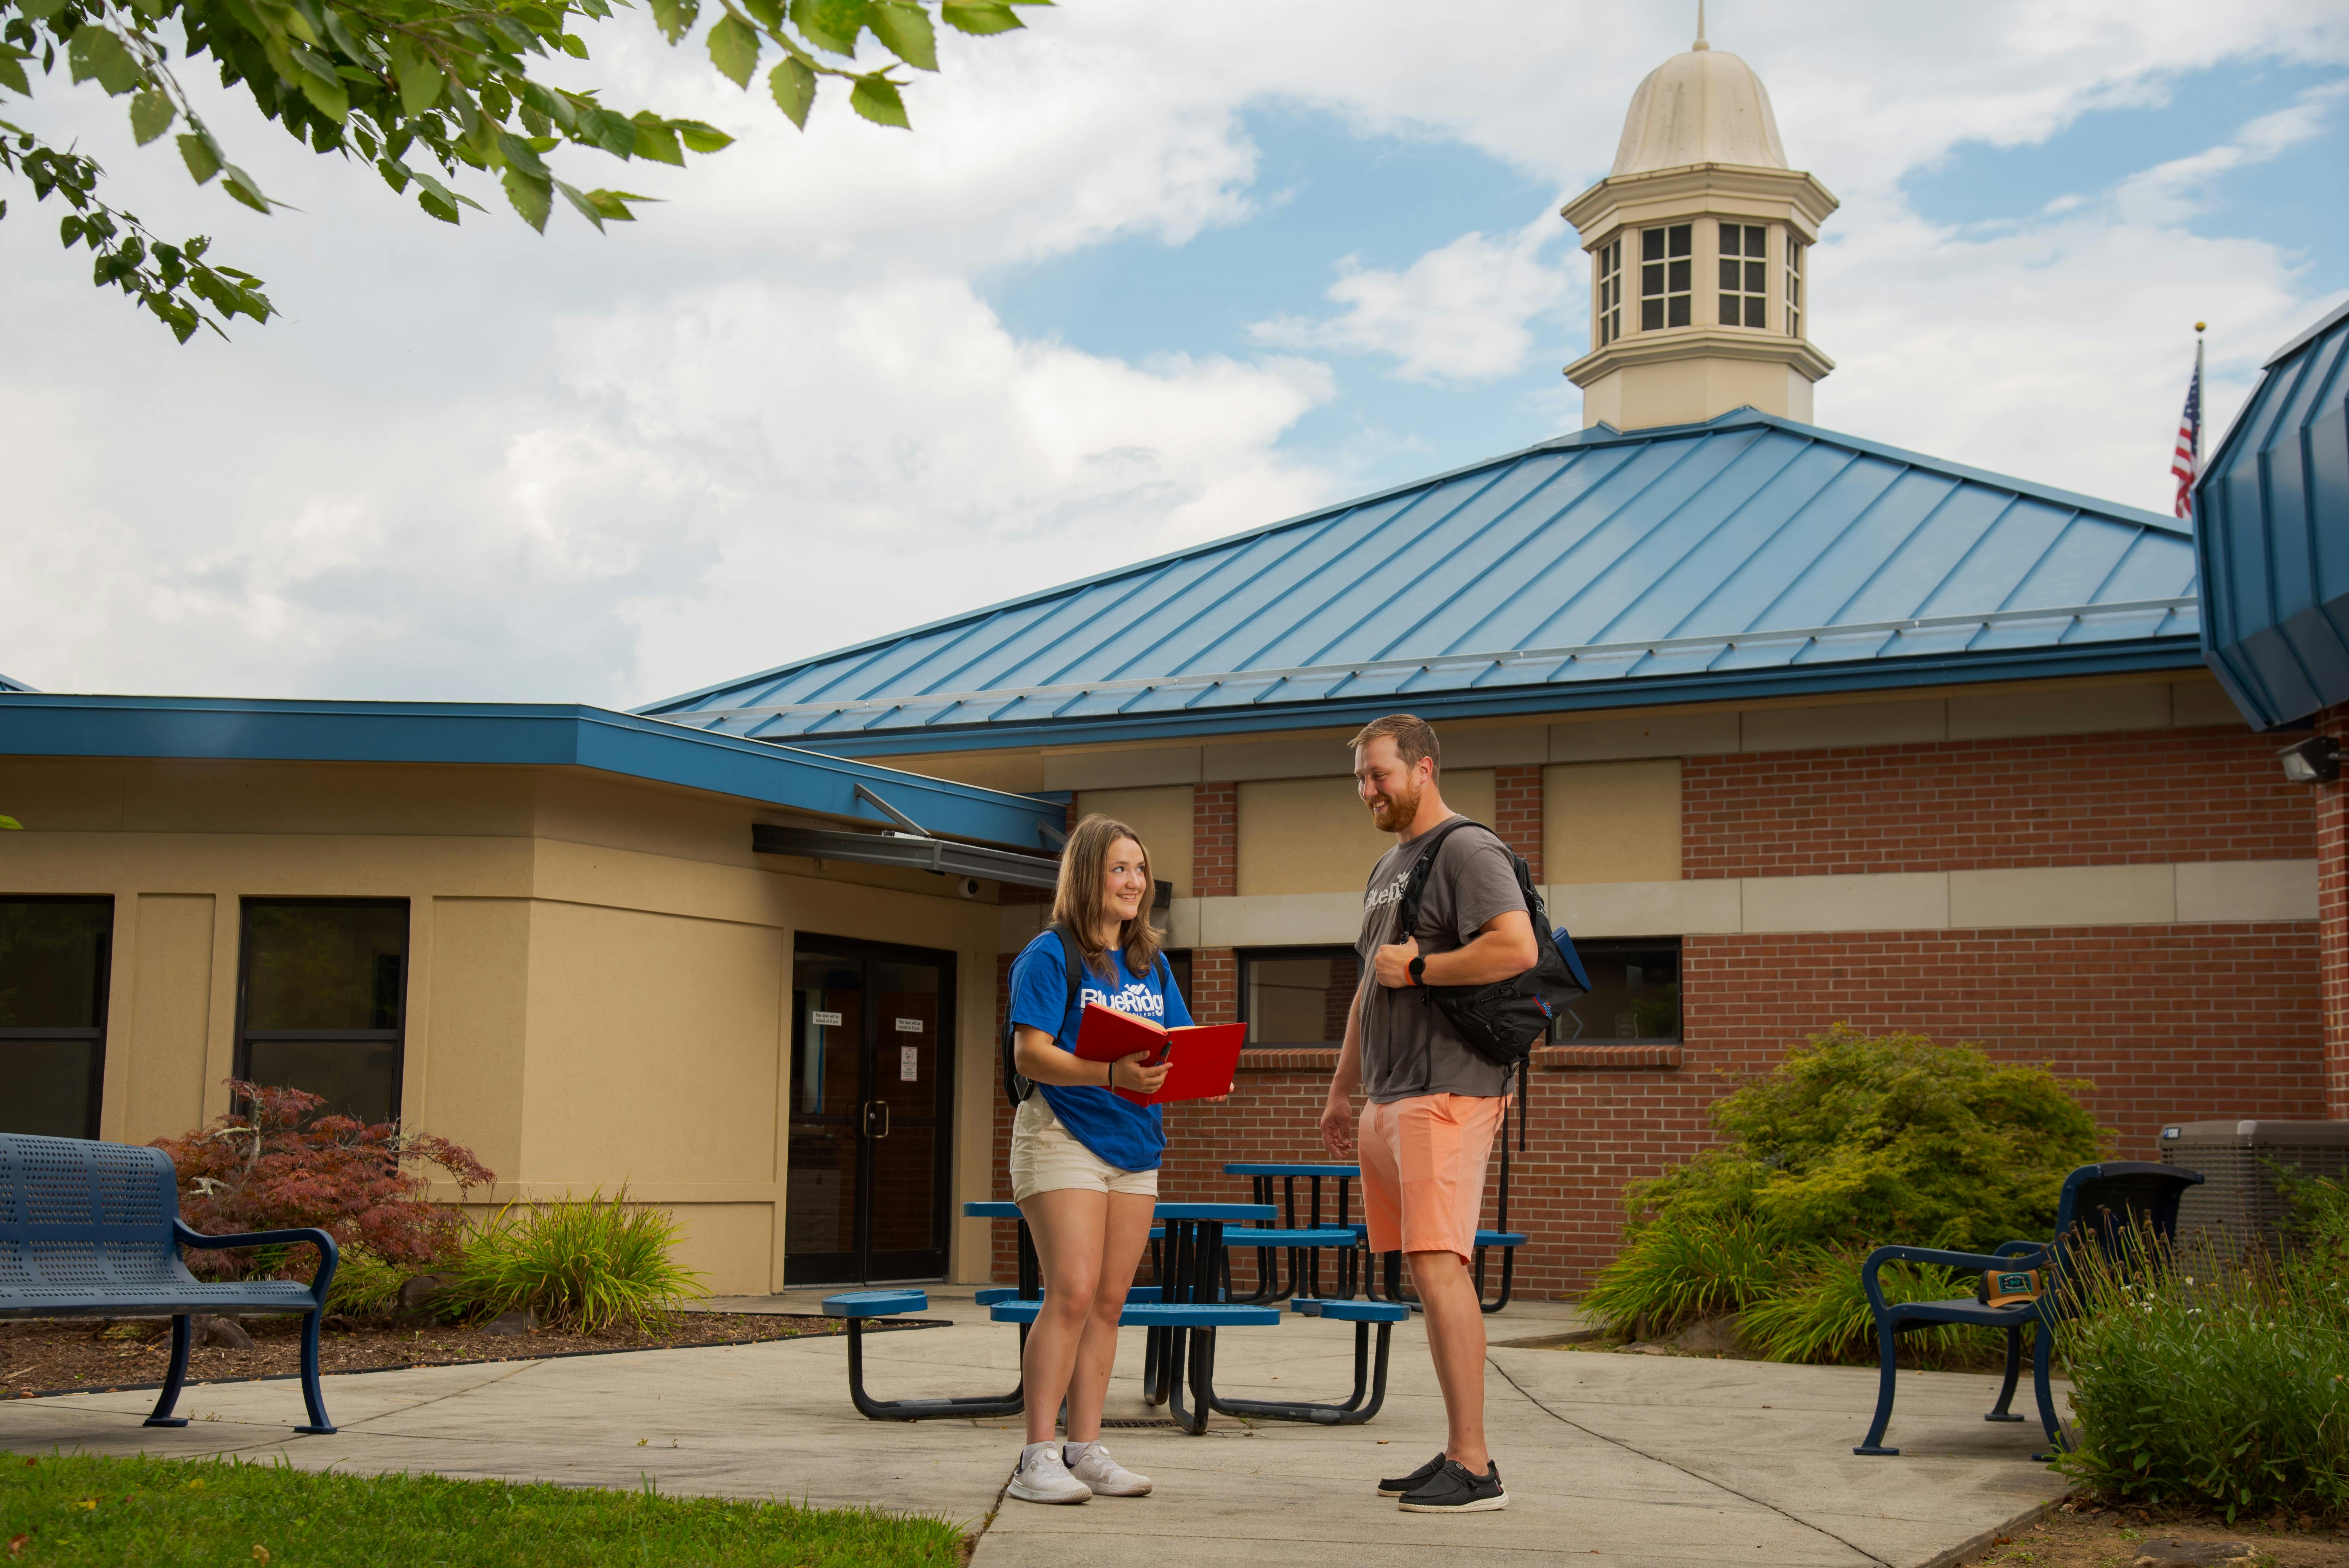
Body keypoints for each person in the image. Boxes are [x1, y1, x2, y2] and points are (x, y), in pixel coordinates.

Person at [1319, 714, 1538, 1514]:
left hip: (1447, 1088)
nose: (1369, 790)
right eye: (1360, 780)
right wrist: (1343, 1088)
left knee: (1440, 1263)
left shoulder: (1466, 849)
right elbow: (1369, 984)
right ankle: (1455, 1448)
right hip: (1389, 1091)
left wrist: (1421, 967)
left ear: (1423, 767)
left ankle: (1475, 1466)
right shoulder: (1387, 863)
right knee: (1423, 1265)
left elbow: (1513, 947)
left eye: (1379, 774)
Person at [1001, 813, 1192, 1505]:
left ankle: (1085, 1450)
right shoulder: (1050, 954)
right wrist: (1110, 1075)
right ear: (1087, 874)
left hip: (1135, 1146)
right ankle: (1036, 1457)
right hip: (1062, 1136)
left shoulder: (1150, 960)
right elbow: (1031, 1052)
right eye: (1120, 868)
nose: (1135, 882)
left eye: (1140, 870)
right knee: (1073, 1292)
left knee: (1110, 1302)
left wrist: (1204, 1064)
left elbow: (1174, 1039)